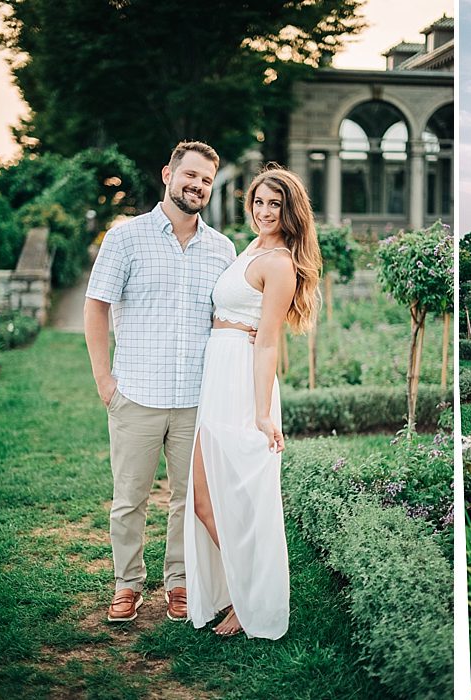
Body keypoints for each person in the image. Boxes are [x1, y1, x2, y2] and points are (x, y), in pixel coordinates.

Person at [85, 141, 235, 623]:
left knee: (186, 500)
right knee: (129, 499)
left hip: (195, 399)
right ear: (168, 174)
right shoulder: (125, 238)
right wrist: (104, 378)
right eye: (190, 175)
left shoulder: (222, 248)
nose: (197, 185)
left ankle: (179, 582)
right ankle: (126, 584)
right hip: (136, 394)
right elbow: (96, 305)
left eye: (206, 180)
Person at [184, 166, 321, 638]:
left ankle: (250, 602)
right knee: (205, 498)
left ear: (290, 212)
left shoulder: (280, 263)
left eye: (275, 205)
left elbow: (266, 342)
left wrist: (263, 414)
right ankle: (240, 590)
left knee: (236, 496)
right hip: (218, 373)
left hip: (242, 382)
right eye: (259, 202)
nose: (264, 211)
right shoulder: (251, 247)